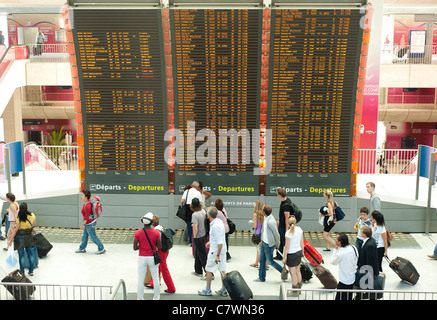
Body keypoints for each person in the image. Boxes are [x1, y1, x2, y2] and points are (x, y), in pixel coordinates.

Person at [198, 207, 228, 297]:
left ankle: (207, 289)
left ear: (208, 215)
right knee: (222, 270)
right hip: (222, 250)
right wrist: (211, 242)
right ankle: (224, 290)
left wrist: (217, 255)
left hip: (215, 252)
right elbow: (219, 238)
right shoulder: (219, 222)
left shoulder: (214, 226)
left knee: (208, 270)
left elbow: (219, 242)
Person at [134, 212, 162, 300]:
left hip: (142, 258)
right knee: (156, 279)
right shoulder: (156, 233)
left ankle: (140, 298)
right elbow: (160, 246)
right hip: (152, 258)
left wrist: (141, 246)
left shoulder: (137, 233)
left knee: (140, 280)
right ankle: (156, 298)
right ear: (151, 222)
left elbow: (135, 248)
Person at [146, 215, 176, 294]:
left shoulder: (155, 231)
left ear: (152, 224)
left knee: (164, 270)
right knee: (158, 266)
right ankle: (153, 283)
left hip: (160, 252)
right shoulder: (161, 228)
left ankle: (171, 288)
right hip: (165, 251)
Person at [75, 189, 106, 254]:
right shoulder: (86, 203)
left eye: (82, 195)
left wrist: (83, 225)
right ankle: (82, 248)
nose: (81, 196)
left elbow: (86, 216)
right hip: (88, 223)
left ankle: (101, 249)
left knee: (93, 237)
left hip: (90, 223)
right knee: (84, 236)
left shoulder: (88, 205)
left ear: (86, 197)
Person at [257, 205, 283, 282]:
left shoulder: (271, 222)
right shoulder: (265, 218)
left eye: (262, 209)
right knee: (262, 260)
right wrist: (262, 240)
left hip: (269, 245)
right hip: (264, 243)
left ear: (264, 212)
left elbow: (276, 234)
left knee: (270, 262)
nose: (261, 210)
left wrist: (278, 244)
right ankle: (261, 278)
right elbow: (265, 231)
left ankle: (284, 271)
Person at [330, 233, 358, 300]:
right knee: (349, 296)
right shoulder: (354, 248)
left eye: (336, 240)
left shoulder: (340, 253)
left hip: (344, 280)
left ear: (339, 242)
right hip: (352, 277)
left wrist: (335, 249)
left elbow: (332, 261)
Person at [282, 216, 304, 296]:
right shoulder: (299, 229)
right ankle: (299, 288)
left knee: (293, 273)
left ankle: (295, 292)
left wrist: (284, 257)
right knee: (298, 271)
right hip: (298, 252)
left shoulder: (288, 233)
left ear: (288, 222)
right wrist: (303, 252)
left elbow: (287, 247)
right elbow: (302, 243)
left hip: (291, 254)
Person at [13, 203, 36, 276]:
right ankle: (31, 271)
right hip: (29, 236)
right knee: (30, 253)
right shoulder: (32, 215)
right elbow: (34, 224)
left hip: (20, 237)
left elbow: (16, 229)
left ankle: (22, 272)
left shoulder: (19, 218)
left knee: (21, 255)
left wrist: (10, 239)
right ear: (27, 208)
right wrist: (29, 228)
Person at [275, 187, 294, 260]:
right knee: (282, 241)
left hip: (284, 226)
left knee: (285, 241)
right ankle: (279, 255)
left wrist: (287, 229)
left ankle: (286, 257)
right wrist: (279, 220)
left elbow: (287, 218)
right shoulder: (286, 200)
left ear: (279, 195)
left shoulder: (286, 205)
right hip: (282, 224)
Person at [181, 181, 202, 246]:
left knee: (189, 226)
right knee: (196, 226)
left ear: (191, 185)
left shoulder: (186, 191)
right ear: (197, 187)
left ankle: (190, 242)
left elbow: (182, 200)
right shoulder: (198, 193)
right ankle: (196, 241)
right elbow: (200, 203)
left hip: (188, 210)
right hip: (196, 210)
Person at [191, 197, 208, 278]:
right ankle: (198, 271)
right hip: (204, 234)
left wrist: (194, 238)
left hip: (198, 236)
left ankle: (209, 274)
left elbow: (195, 227)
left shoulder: (194, 215)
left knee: (202, 255)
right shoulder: (203, 211)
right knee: (198, 252)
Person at [250, 200, 265, 268]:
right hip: (263, 233)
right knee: (261, 249)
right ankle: (257, 263)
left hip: (258, 233)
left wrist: (252, 225)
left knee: (259, 249)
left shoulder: (255, 214)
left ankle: (260, 264)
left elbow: (255, 226)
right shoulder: (264, 214)